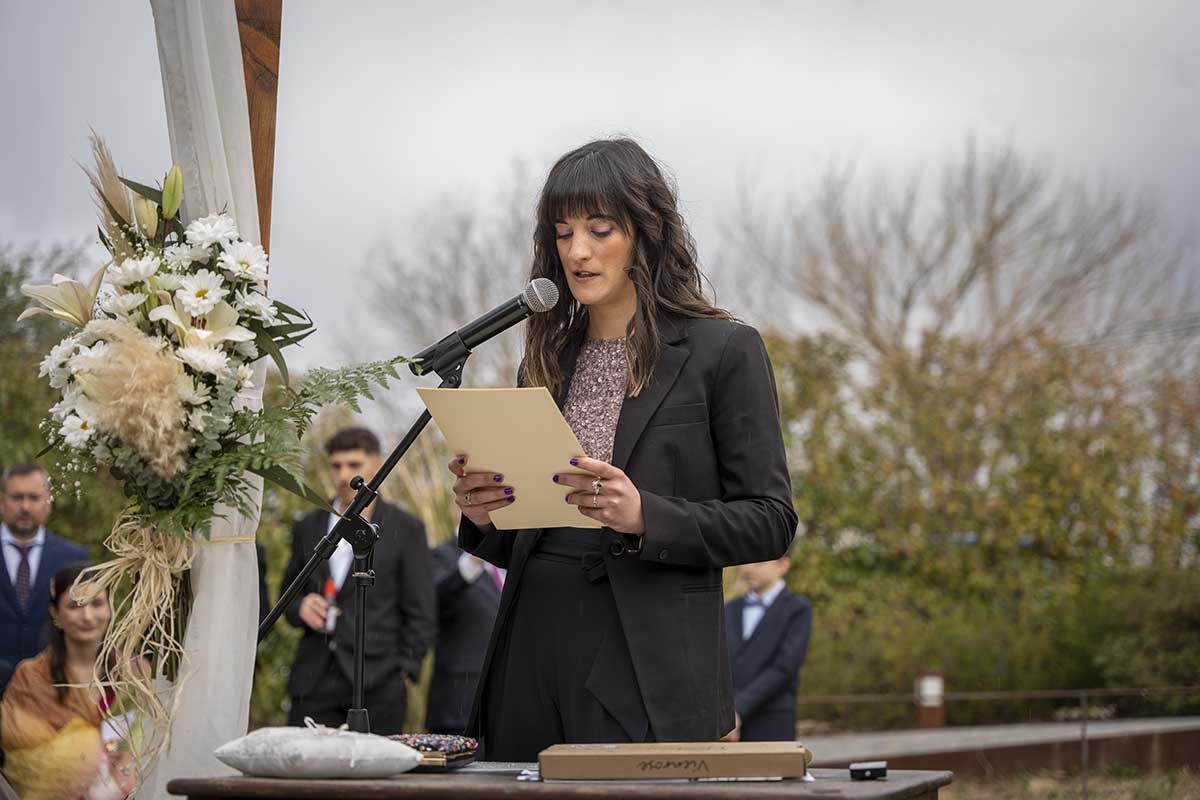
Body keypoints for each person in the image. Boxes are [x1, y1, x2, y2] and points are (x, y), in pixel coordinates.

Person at [449, 138, 797, 760]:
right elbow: (528, 534)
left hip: (644, 654)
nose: (577, 251)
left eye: (599, 229)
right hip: (531, 637)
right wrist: (485, 514)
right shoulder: (547, 361)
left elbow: (771, 520)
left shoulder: (725, 350)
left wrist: (646, 516)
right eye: (562, 233)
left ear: (646, 230)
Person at [281, 426, 435, 735]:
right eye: (337, 465)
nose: (343, 475)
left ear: (376, 465)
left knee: (373, 781)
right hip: (312, 681)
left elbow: (421, 610)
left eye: (354, 465)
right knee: (308, 779)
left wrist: (403, 671)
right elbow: (286, 594)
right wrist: (300, 607)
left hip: (378, 684)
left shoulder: (406, 528)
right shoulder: (307, 526)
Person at [0, 562, 135, 800]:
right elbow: (21, 752)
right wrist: (87, 754)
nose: (87, 616)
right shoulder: (31, 677)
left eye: (97, 603)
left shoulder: (134, 674)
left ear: (110, 607)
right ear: (55, 613)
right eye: (75, 606)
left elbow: (148, 744)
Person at [0, 463, 88, 693]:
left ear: (48, 501)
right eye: (17, 497)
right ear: (2, 501)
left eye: (34, 497)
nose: (25, 506)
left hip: (51, 693)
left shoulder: (73, 557)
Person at [724, 552, 812, 742]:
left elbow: (784, 667)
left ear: (783, 566)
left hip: (772, 723)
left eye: (759, 562)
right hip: (726, 728)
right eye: (744, 561)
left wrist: (738, 709)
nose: (747, 569)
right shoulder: (728, 609)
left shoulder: (798, 609)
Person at [425, 539, 503, 734]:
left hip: (506, 706)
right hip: (459, 704)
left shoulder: (513, 556)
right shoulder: (441, 555)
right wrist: (474, 560)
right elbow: (431, 603)